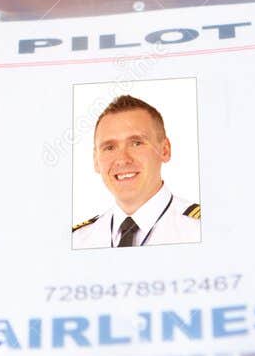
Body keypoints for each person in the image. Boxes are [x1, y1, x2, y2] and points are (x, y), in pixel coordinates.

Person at [72, 94, 200, 249]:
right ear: (95, 160)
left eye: (136, 143)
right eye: (109, 147)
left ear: (165, 150)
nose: (122, 159)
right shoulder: (77, 240)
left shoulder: (201, 229)